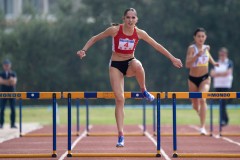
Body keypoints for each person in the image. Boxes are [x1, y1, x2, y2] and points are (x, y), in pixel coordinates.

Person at [77, 8, 183, 147]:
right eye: (128, 17)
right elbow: (95, 38)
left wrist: (172, 58)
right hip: (115, 65)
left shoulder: (139, 33)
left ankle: (144, 90)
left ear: (136, 20)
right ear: (123, 18)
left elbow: (157, 46)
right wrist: (84, 50)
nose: (130, 20)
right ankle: (121, 135)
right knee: (120, 99)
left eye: (133, 18)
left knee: (138, 65)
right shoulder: (115, 30)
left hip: (130, 64)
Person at [185, 28, 219, 135]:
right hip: (193, 79)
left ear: (205, 37)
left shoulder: (206, 48)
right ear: (194, 38)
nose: (201, 38)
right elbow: (187, 64)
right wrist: (197, 55)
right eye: (198, 36)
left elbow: (208, 56)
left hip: (205, 78)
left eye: (202, 36)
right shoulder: (192, 48)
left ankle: (203, 127)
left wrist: (214, 63)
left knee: (202, 98)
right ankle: (199, 112)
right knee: (195, 105)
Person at [210, 47, 233, 127]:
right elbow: (212, 74)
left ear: (226, 55)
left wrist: (218, 74)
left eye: (223, 55)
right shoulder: (216, 62)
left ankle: (223, 120)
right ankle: (223, 120)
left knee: (223, 102)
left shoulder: (229, 62)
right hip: (218, 85)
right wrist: (221, 74)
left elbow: (228, 73)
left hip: (226, 85)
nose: (221, 56)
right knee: (220, 103)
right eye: (220, 55)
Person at [0, 59, 18, 129]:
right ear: (3, 66)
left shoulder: (13, 73)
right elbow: (1, 82)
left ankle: (12, 124)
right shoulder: (1, 73)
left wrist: (6, 81)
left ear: (10, 66)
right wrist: (9, 81)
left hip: (12, 93)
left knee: (13, 109)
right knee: (2, 109)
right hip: (3, 93)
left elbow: (14, 82)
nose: (7, 66)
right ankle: (1, 124)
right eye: (5, 65)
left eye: (8, 65)